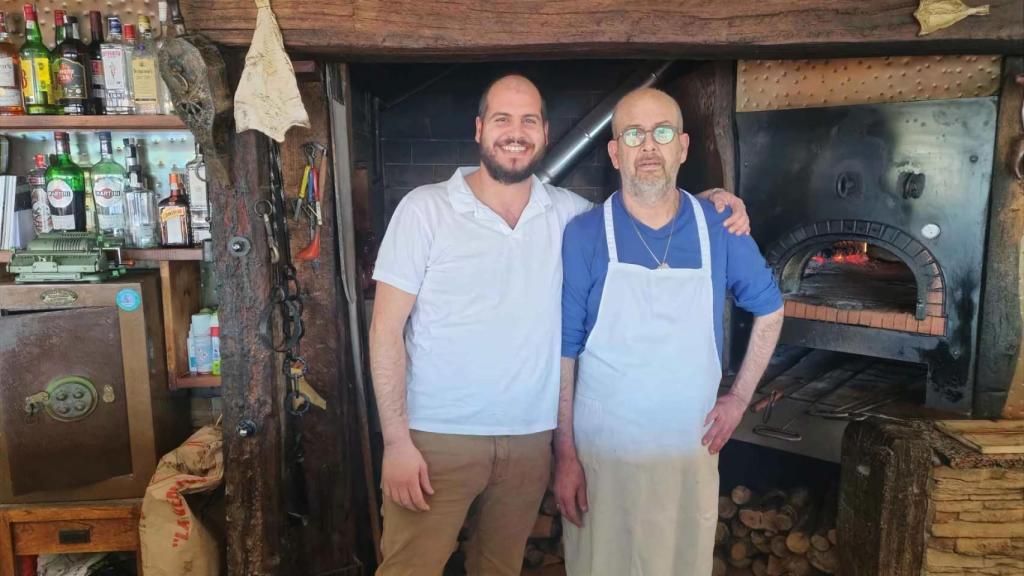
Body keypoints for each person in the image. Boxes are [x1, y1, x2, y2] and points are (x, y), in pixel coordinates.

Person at [369, 74, 750, 576]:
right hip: (438, 438)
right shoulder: (425, 209)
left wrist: (713, 201)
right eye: (502, 119)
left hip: (530, 440)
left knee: (499, 567)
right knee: (408, 569)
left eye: (529, 120)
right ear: (480, 129)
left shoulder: (568, 214)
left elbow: (645, 208)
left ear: (545, 133)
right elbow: (384, 332)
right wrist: (396, 442)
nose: (515, 131)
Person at [554, 87, 785, 576]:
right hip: (603, 456)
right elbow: (566, 352)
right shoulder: (584, 234)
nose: (648, 147)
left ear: (682, 147)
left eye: (661, 133)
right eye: (633, 134)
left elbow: (770, 309)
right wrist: (565, 456)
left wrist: (740, 399)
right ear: (615, 152)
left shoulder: (719, 224)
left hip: (688, 451)